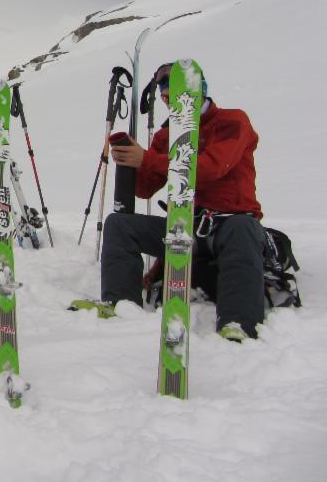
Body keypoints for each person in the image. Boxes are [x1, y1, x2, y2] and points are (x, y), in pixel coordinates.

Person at [76, 62, 267, 340]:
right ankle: (119, 303)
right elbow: (146, 189)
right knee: (119, 224)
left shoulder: (232, 121)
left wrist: (149, 159)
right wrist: (130, 162)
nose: (169, 103)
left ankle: (238, 323)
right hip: (187, 225)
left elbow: (213, 167)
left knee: (243, 229)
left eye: (175, 97)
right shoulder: (168, 134)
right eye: (165, 98)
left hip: (231, 223)